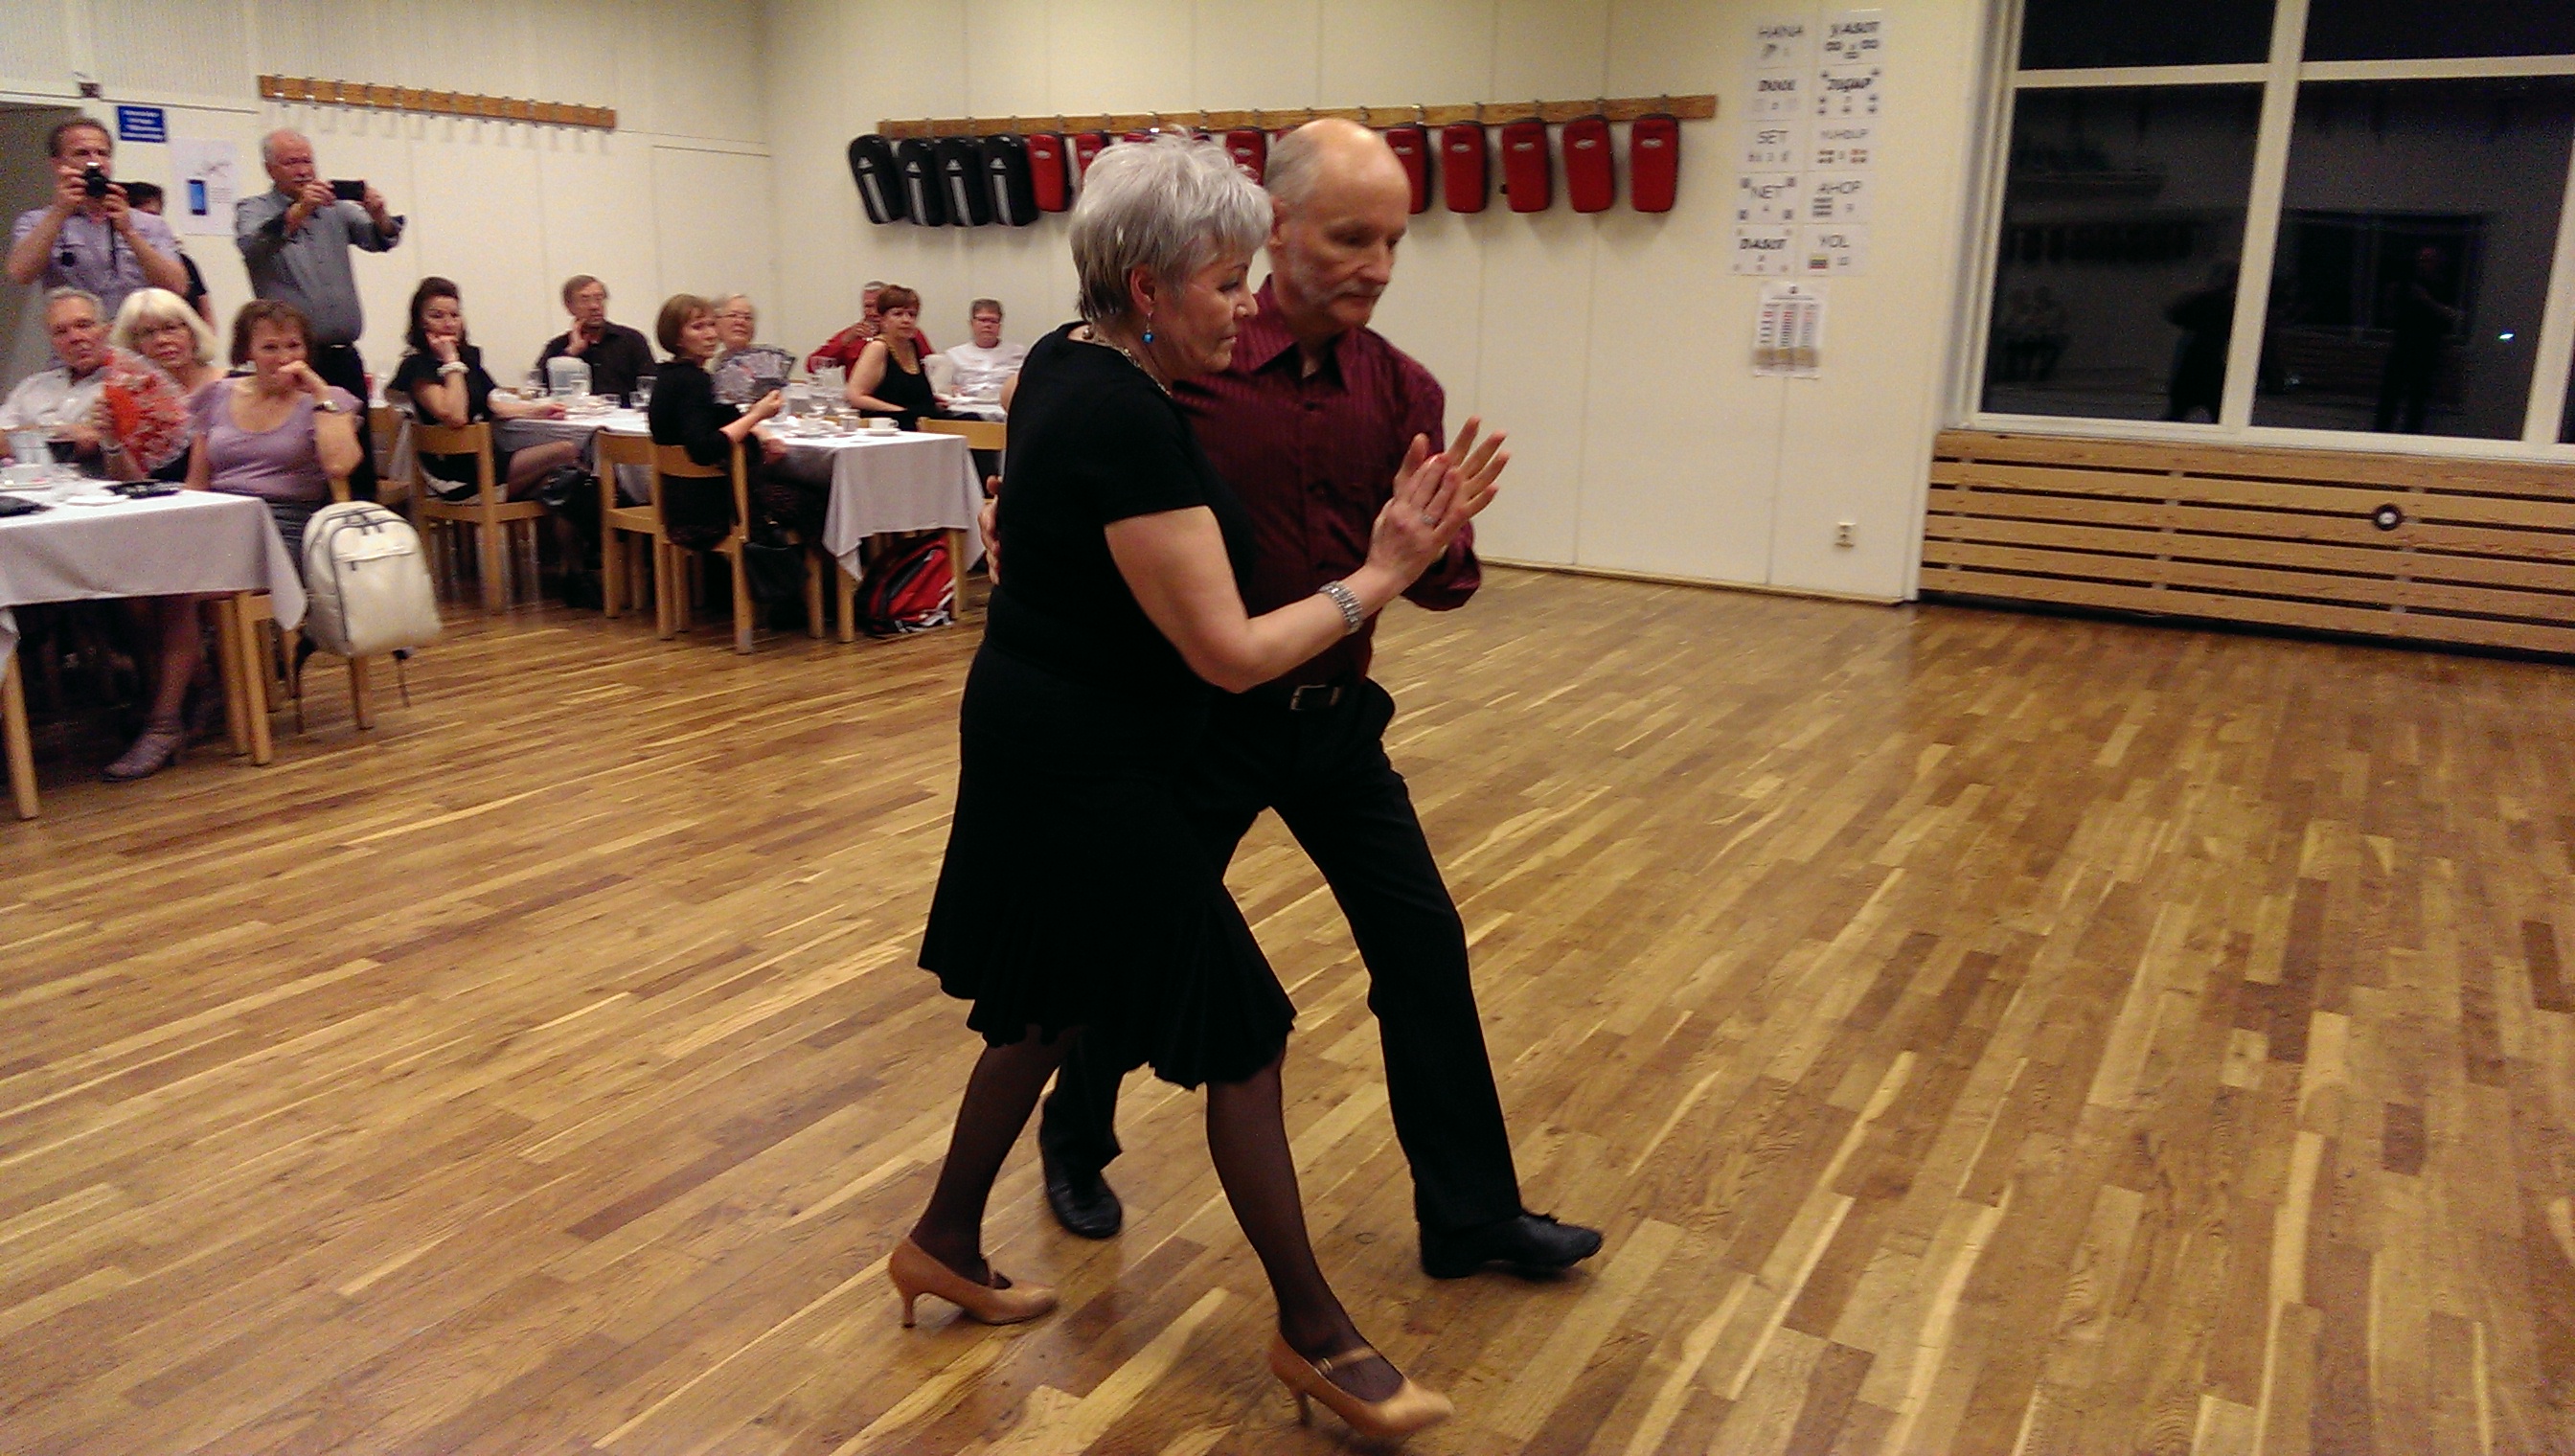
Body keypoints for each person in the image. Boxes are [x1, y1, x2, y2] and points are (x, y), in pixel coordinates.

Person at [899, 136, 1500, 1445]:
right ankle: (1316, 1333)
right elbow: (1228, 652)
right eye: (1227, 282)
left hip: (1049, 733)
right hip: (1090, 767)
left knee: (1053, 998)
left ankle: (942, 1238)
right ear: (1150, 287)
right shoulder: (1125, 416)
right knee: (1246, 1031)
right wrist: (1381, 573)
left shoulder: (1068, 360)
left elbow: (1050, 540)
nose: (1244, 304)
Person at [1027, 119, 1602, 1284]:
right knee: (1133, 942)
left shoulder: (1401, 388)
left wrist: (1433, 540)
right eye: (1350, 238)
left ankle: (1470, 1215)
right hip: (1200, 725)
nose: (1377, 266)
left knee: (1423, 946)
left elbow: (1439, 582)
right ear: (1277, 227)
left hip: (1334, 722)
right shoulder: (1181, 364)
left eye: (1393, 242)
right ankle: (1074, 1136)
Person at [235, 128, 401, 500]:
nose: (303, 170)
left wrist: (379, 214)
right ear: (270, 169)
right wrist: (299, 211)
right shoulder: (253, 209)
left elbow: (381, 239)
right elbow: (251, 245)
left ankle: (359, 526)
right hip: (291, 364)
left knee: (356, 463)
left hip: (343, 357)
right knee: (307, 460)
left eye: (307, 161)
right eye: (291, 162)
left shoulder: (334, 209)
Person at [188, 299, 360, 562]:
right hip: (221, 516)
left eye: (294, 346)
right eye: (270, 348)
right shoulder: (216, 394)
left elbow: (340, 466)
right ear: (248, 352)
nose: (285, 358)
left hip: (287, 521)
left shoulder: (329, 400)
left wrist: (319, 393)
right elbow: (197, 483)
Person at [390, 276, 580, 502]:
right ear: (421, 323)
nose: (449, 323)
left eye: (454, 315)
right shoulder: (416, 366)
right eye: (437, 316)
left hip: (487, 461)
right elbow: (456, 416)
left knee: (564, 480)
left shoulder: (469, 358)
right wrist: (451, 361)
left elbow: (491, 404)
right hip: (456, 476)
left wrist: (536, 411)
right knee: (566, 452)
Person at [5, 118, 189, 320]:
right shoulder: (36, 221)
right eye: (82, 153)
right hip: (79, 335)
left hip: (137, 333)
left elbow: (177, 286)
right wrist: (59, 212)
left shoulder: (149, 223)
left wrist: (129, 233)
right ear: (58, 165)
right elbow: (20, 273)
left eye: (102, 153)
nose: (96, 162)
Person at [0, 287, 189, 481]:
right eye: (60, 331)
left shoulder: (135, 383)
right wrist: (60, 433)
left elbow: (133, 468)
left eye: (84, 325)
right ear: (52, 341)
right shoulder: (32, 386)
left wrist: (21, 438)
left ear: (107, 329)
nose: (75, 337)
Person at [646, 293, 786, 551]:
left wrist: (759, 431)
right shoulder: (694, 381)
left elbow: (719, 421)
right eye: (698, 327)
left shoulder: (668, 376)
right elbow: (703, 449)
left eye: (712, 325)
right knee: (814, 501)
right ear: (677, 337)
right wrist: (757, 415)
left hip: (676, 507)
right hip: (708, 514)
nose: (711, 334)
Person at [109, 286, 224, 480]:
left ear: (192, 333)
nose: (161, 340)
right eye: (147, 333)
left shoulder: (236, 385)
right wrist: (111, 442)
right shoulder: (135, 403)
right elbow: (131, 479)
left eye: (170, 328)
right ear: (134, 345)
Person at [2377, 245, 2459, 435]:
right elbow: (2389, 317)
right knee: (2389, 399)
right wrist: (2389, 299)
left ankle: (2410, 439)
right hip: (2402, 348)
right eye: (2421, 260)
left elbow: (2452, 316)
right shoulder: (2406, 285)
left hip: (2427, 352)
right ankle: (2380, 437)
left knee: (2417, 403)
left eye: (2428, 260)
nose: (2422, 264)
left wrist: (2426, 300)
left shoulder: (2444, 287)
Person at [536, 274, 656, 402]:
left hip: (625, 412)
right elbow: (539, 387)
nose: (594, 306)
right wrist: (571, 352)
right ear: (569, 307)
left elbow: (650, 385)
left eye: (599, 299)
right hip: (576, 413)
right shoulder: (558, 346)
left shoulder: (632, 340)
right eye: (585, 300)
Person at [117, 183, 215, 325]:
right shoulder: (115, 260)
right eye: (145, 216)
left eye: (157, 216)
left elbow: (205, 313)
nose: (153, 224)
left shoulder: (183, 263)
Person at [843, 284, 937, 430]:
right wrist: (901, 411)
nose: (906, 320)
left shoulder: (912, 345)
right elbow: (854, 397)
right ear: (883, 319)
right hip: (890, 425)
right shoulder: (878, 347)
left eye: (911, 314)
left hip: (921, 422)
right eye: (898, 314)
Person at [806, 281, 934, 375]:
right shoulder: (852, 335)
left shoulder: (910, 334)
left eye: (877, 306)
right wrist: (844, 341)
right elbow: (813, 366)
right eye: (868, 306)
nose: (873, 312)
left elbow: (932, 368)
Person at [938, 298, 1025, 418]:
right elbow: (940, 390)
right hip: (965, 410)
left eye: (993, 321)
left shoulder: (1019, 353)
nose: (987, 325)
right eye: (982, 320)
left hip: (1005, 410)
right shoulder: (952, 355)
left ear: (1000, 325)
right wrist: (949, 389)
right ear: (972, 323)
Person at [707, 294, 798, 407]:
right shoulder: (706, 361)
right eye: (733, 315)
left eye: (748, 317)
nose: (740, 322)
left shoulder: (769, 361)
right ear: (715, 321)